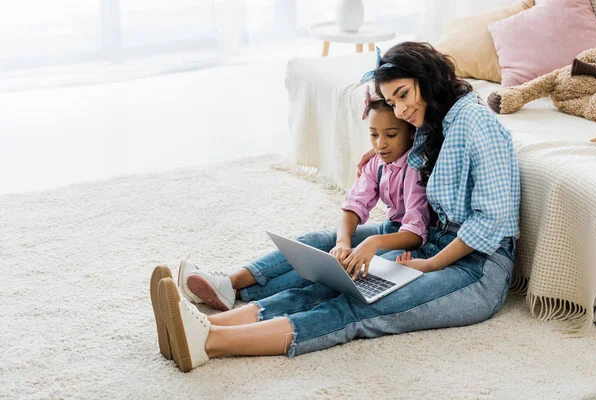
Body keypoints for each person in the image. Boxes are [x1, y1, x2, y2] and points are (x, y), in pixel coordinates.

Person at [150, 41, 520, 373]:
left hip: (477, 267)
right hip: (427, 243)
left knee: (359, 307)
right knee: (329, 281)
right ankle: (202, 326)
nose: (401, 109)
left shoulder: (475, 122)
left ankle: (210, 342)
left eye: (404, 95)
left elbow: (492, 220)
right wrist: (378, 150)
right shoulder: (433, 118)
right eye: (393, 102)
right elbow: (404, 145)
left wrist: (431, 264)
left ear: (427, 78)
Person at [149, 83, 431, 372]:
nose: (380, 144)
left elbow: (414, 230)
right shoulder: (378, 162)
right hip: (389, 228)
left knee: (323, 282)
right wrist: (343, 241)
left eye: (390, 135)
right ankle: (229, 284)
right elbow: (354, 206)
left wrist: (368, 246)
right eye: (373, 135)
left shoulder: (414, 168)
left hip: (406, 240)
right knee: (315, 246)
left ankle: (209, 323)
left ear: (411, 132)